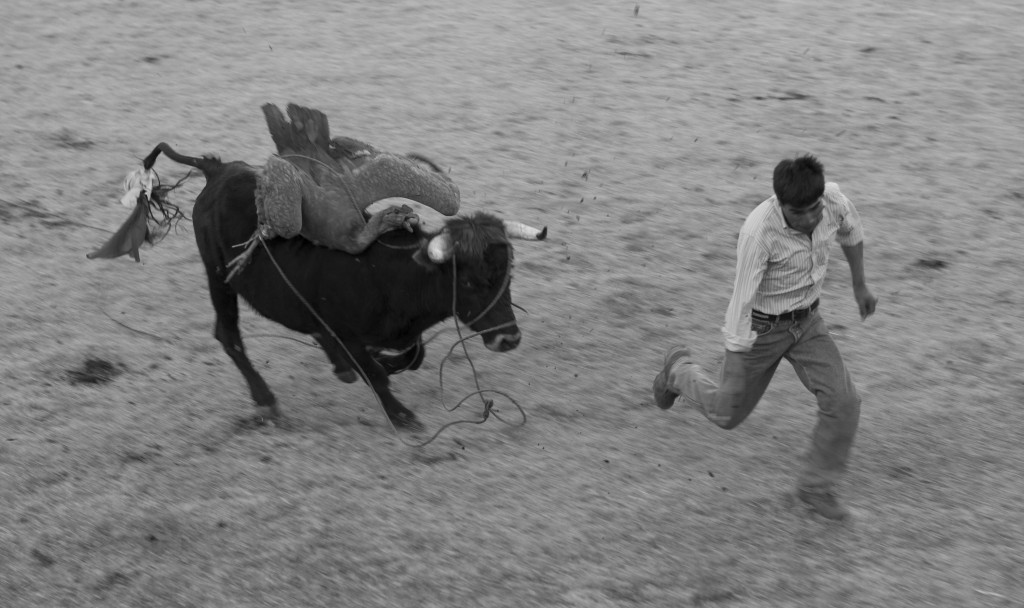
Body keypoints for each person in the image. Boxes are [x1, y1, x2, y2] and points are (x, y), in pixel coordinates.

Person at [652, 154, 877, 520]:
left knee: (845, 401)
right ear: (779, 203)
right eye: (796, 212)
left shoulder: (834, 201)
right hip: (761, 328)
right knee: (727, 414)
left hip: (807, 322)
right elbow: (740, 301)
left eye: (813, 210)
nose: (807, 219)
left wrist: (860, 285)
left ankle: (815, 489)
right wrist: (738, 361)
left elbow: (851, 231)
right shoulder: (759, 232)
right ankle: (678, 371)